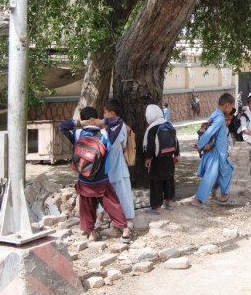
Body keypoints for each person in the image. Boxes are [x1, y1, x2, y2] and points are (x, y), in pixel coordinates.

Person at [59, 107, 130, 242]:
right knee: (112, 204)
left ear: (83, 119)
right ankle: (125, 230)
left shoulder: (78, 134)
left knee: (87, 205)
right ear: (95, 118)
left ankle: (91, 234)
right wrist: (101, 121)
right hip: (101, 178)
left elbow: (62, 126)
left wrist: (79, 123)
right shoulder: (106, 134)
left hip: (84, 179)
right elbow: (119, 122)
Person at [84, 100, 135, 228]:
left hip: (117, 167)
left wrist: (101, 123)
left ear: (112, 114)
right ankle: (101, 215)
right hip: (109, 167)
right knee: (106, 193)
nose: (103, 116)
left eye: (105, 113)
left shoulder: (119, 126)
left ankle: (128, 219)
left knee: (123, 194)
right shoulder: (109, 128)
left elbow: (113, 142)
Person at [191, 93, 235, 207]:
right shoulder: (220, 118)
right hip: (216, 153)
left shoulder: (214, 114)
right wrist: (200, 144)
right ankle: (198, 200)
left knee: (227, 171)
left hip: (218, 152)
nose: (230, 110)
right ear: (227, 105)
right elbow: (210, 132)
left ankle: (225, 197)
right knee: (210, 176)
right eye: (231, 107)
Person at [143, 104, 180, 214]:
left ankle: (157, 207)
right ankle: (170, 202)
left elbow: (150, 146)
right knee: (169, 179)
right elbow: (176, 141)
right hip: (169, 159)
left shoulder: (152, 129)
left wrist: (148, 158)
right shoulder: (169, 125)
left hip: (157, 160)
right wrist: (176, 155)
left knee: (156, 182)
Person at [210, 108, 237, 203]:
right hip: (214, 156)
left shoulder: (226, 130)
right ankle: (222, 194)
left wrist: (227, 152)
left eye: (230, 120)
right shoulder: (215, 128)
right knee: (222, 174)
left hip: (223, 156)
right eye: (226, 120)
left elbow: (230, 144)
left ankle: (220, 193)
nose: (228, 122)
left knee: (223, 173)